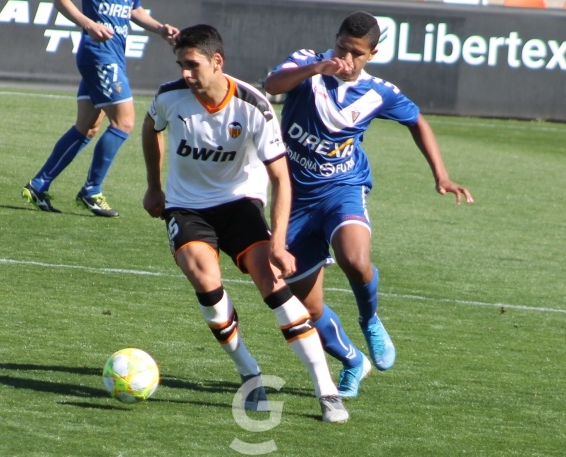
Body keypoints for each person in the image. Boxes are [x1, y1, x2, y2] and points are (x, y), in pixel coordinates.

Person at [141, 24, 348, 423]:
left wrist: (280, 243)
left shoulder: (254, 106)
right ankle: (249, 374)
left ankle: (326, 390)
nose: (185, 73)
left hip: (240, 204)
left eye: (192, 65)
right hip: (187, 208)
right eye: (181, 64)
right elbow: (151, 128)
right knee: (205, 280)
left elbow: (281, 179)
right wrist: (153, 187)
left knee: (271, 283)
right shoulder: (170, 97)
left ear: (217, 63)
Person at [264, 11, 474, 398]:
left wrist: (440, 175)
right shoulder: (306, 62)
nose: (347, 58)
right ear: (336, 38)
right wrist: (315, 68)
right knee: (307, 310)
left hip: (343, 187)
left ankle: (370, 319)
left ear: (372, 53)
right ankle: (353, 362)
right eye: (343, 47)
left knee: (356, 259)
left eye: (357, 53)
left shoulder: (380, 92)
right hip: (292, 199)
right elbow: (272, 84)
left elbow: (417, 121)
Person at [23, 1, 179, 217]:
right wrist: (88, 24)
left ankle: (39, 184)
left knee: (87, 126)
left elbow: (133, 9)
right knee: (124, 123)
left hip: (111, 56)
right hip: (100, 56)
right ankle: (91, 190)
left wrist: (159, 28)